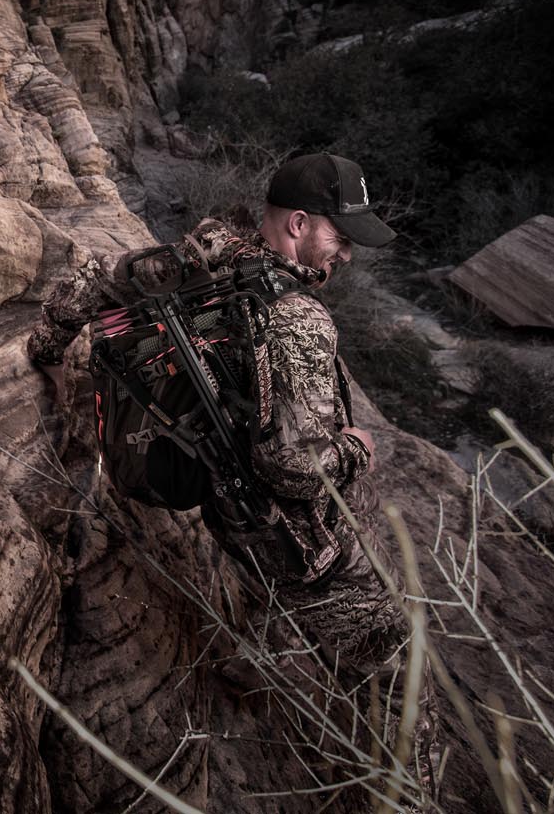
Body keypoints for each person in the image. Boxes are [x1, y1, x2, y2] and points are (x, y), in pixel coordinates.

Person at [27, 153, 433, 782]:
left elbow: (90, 285)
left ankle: (258, 660)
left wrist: (48, 350)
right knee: (403, 678)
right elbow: (293, 465)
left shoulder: (198, 267)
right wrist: (356, 447)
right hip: (311, 539)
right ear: (298, 223)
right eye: (341, 238)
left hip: (229, 513)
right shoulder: (298, 317)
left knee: (265, 588)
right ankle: (410, 790)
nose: (346, 256)